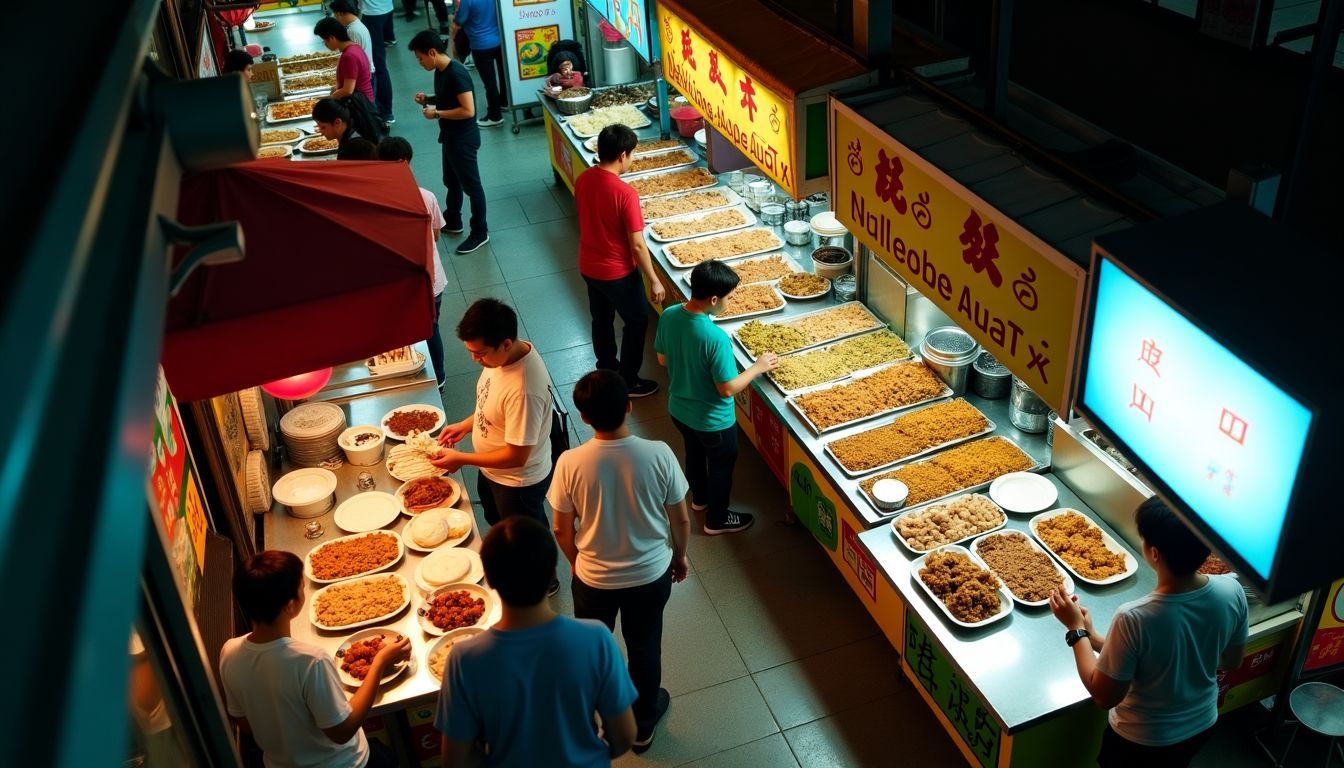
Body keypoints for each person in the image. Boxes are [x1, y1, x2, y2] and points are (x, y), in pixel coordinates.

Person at [548, 370, 690, 753]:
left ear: (583, 417)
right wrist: (679, 556)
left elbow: (562, 528)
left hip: (593, 580)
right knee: (644, 647)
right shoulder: (659, 453)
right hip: (649, 575)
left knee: (593, 648)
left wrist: (576, 562)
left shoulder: (569, 462)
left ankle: (592, 723)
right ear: (629, 406)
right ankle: (642, 728)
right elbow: (680, 517)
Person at [1049, 497, 1248, 768]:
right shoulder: (1232, 590)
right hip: (1202, 724)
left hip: (1143, 741)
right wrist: (1094, 638)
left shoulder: (1134, 617)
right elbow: (1231, 660)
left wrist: (1075, 631)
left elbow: (1104, 696)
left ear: (1154, 553)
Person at [436, 517, 638, 767]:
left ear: (489, 578)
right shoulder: (596, 639)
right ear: (553, 570)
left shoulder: (464, 658)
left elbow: (457, 760)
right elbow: (625, 734)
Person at [219, 551, 411, 768]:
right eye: (302, 587)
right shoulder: (311, 661)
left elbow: (245, 723)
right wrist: (380, 662)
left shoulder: (229, 652)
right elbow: (343, 731)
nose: (304, 591)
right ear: (291, 605)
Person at [655, 260, 778, 535]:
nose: (730, 302)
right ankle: (717, 519)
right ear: (713, 299)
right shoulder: (715, 337)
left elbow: (662, 359)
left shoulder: (670, 314)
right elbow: (727, 388)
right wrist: (758, 367)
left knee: (694, 454)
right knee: (721, 466)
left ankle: (699, 499)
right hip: (713, 421)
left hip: (679, 410)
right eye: (729, 297)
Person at [431, 298, 554, 527]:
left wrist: (462, 459)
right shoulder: (502, 358)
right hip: (492, 470)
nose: (474, 359)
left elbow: (516, 456)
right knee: (498, 525)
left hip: (517, 484)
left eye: (480, 353)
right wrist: (467, 425)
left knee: (523, 545)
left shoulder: (524, 390)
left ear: (506, 344)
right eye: (471, 351)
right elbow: (493, 407)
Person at [574, 125, 663, 399]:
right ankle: (628, 380)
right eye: (633, 154)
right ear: (623, 155)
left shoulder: (584, 178)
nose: (632, 159)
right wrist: (654, 279)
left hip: (589, 265)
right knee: (636, 321)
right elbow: (637, 244)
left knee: (601, 319)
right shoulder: (625, 194)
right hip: (617, 272)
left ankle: (606, 369)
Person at [377, 136, 450, 389]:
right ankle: (439, 375)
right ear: (406, 162)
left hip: (403, 283)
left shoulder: (378, 202)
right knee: (432, 328)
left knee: (408, 328)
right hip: (433, 281)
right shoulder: (426, 197)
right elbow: (437, 234)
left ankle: (412, 369)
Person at [409, 30, 491, 255]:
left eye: (420, 57)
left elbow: (468, 110)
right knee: (451, 180)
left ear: (432, 52)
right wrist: (428, 100)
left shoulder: (456, 73)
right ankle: (453, 219)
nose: (420, 62)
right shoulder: (441, 70)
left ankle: (480, 232)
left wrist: (437, 114)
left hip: (463, 138)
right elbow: (449, 98)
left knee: (472, 187)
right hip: (451, 136)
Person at [451, 0, 506, 127]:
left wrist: (453, 42)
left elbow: (459, 21)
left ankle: (495, 115)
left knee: (489, 82)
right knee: (503, 76)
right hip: (499, 40)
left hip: (480, 45)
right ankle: (504, 102)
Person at [314, 16, 374, 105]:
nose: (325, 45)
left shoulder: (349, 56)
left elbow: (348, 90)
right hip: (364, 100)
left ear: (331, 38)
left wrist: (327, 99)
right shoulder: (354, 47)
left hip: (360, 105)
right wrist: (337, 88)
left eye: (324, 41)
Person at [357, 0, 396, 123]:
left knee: (378, 66)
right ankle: (386, 111)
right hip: (386, 9)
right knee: (379, 63)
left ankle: (385, 112)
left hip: (372, 14)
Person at [329, 0, 375, 84]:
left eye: (335, 15)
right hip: (366, 73)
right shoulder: (356, 24)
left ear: (340, 14)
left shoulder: (353, 31)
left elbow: (353, 58)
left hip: (363, 77)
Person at [312, 98, 378, 149]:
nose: (321, 132)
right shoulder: (348, 132)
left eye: (323, 127)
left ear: (337, 123)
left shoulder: (353, 148)